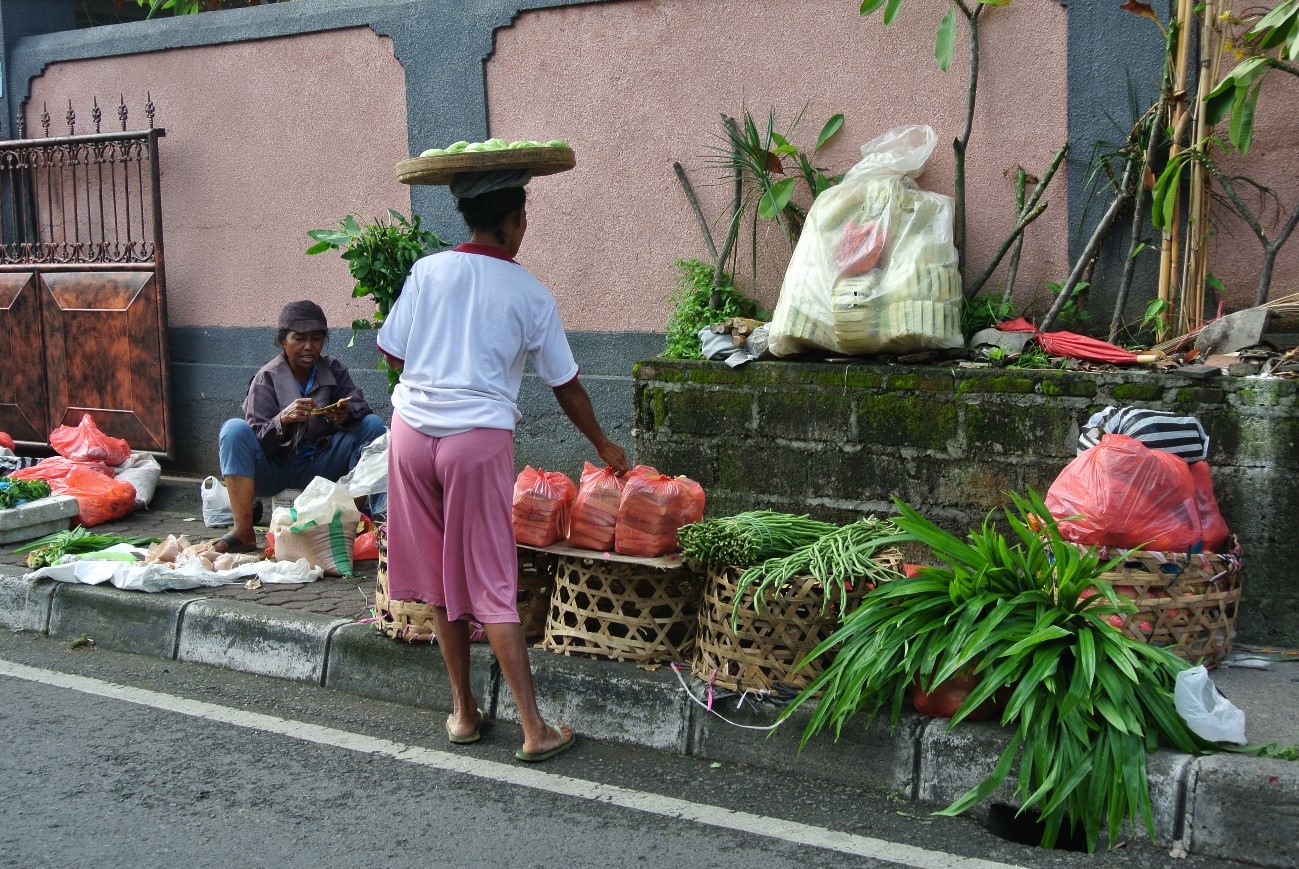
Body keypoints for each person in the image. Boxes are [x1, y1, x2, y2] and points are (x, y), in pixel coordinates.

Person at [377, 176, 628, 764]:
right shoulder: (530, 292)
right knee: (492, 579)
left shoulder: (428, 271)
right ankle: (535, 729)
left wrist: (438, 367)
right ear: (514, 219)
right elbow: (565, 386)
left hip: (410, 434)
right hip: (476, 440)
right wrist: (604, 444)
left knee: (442, 576)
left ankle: (464, 712)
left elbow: (393, 350)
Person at [213, 300, 387, 554]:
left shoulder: (334, 369)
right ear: (283, 341)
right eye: (299, 339)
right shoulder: (267, 378)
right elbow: (258, 436)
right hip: (277, 468)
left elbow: (361, 409)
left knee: (372, 426)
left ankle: (351, 523)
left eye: (316, 339)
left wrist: (345, 414)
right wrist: (281, 420)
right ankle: (243, 531)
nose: (309, 347)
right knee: (233, 430)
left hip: (322, 464)